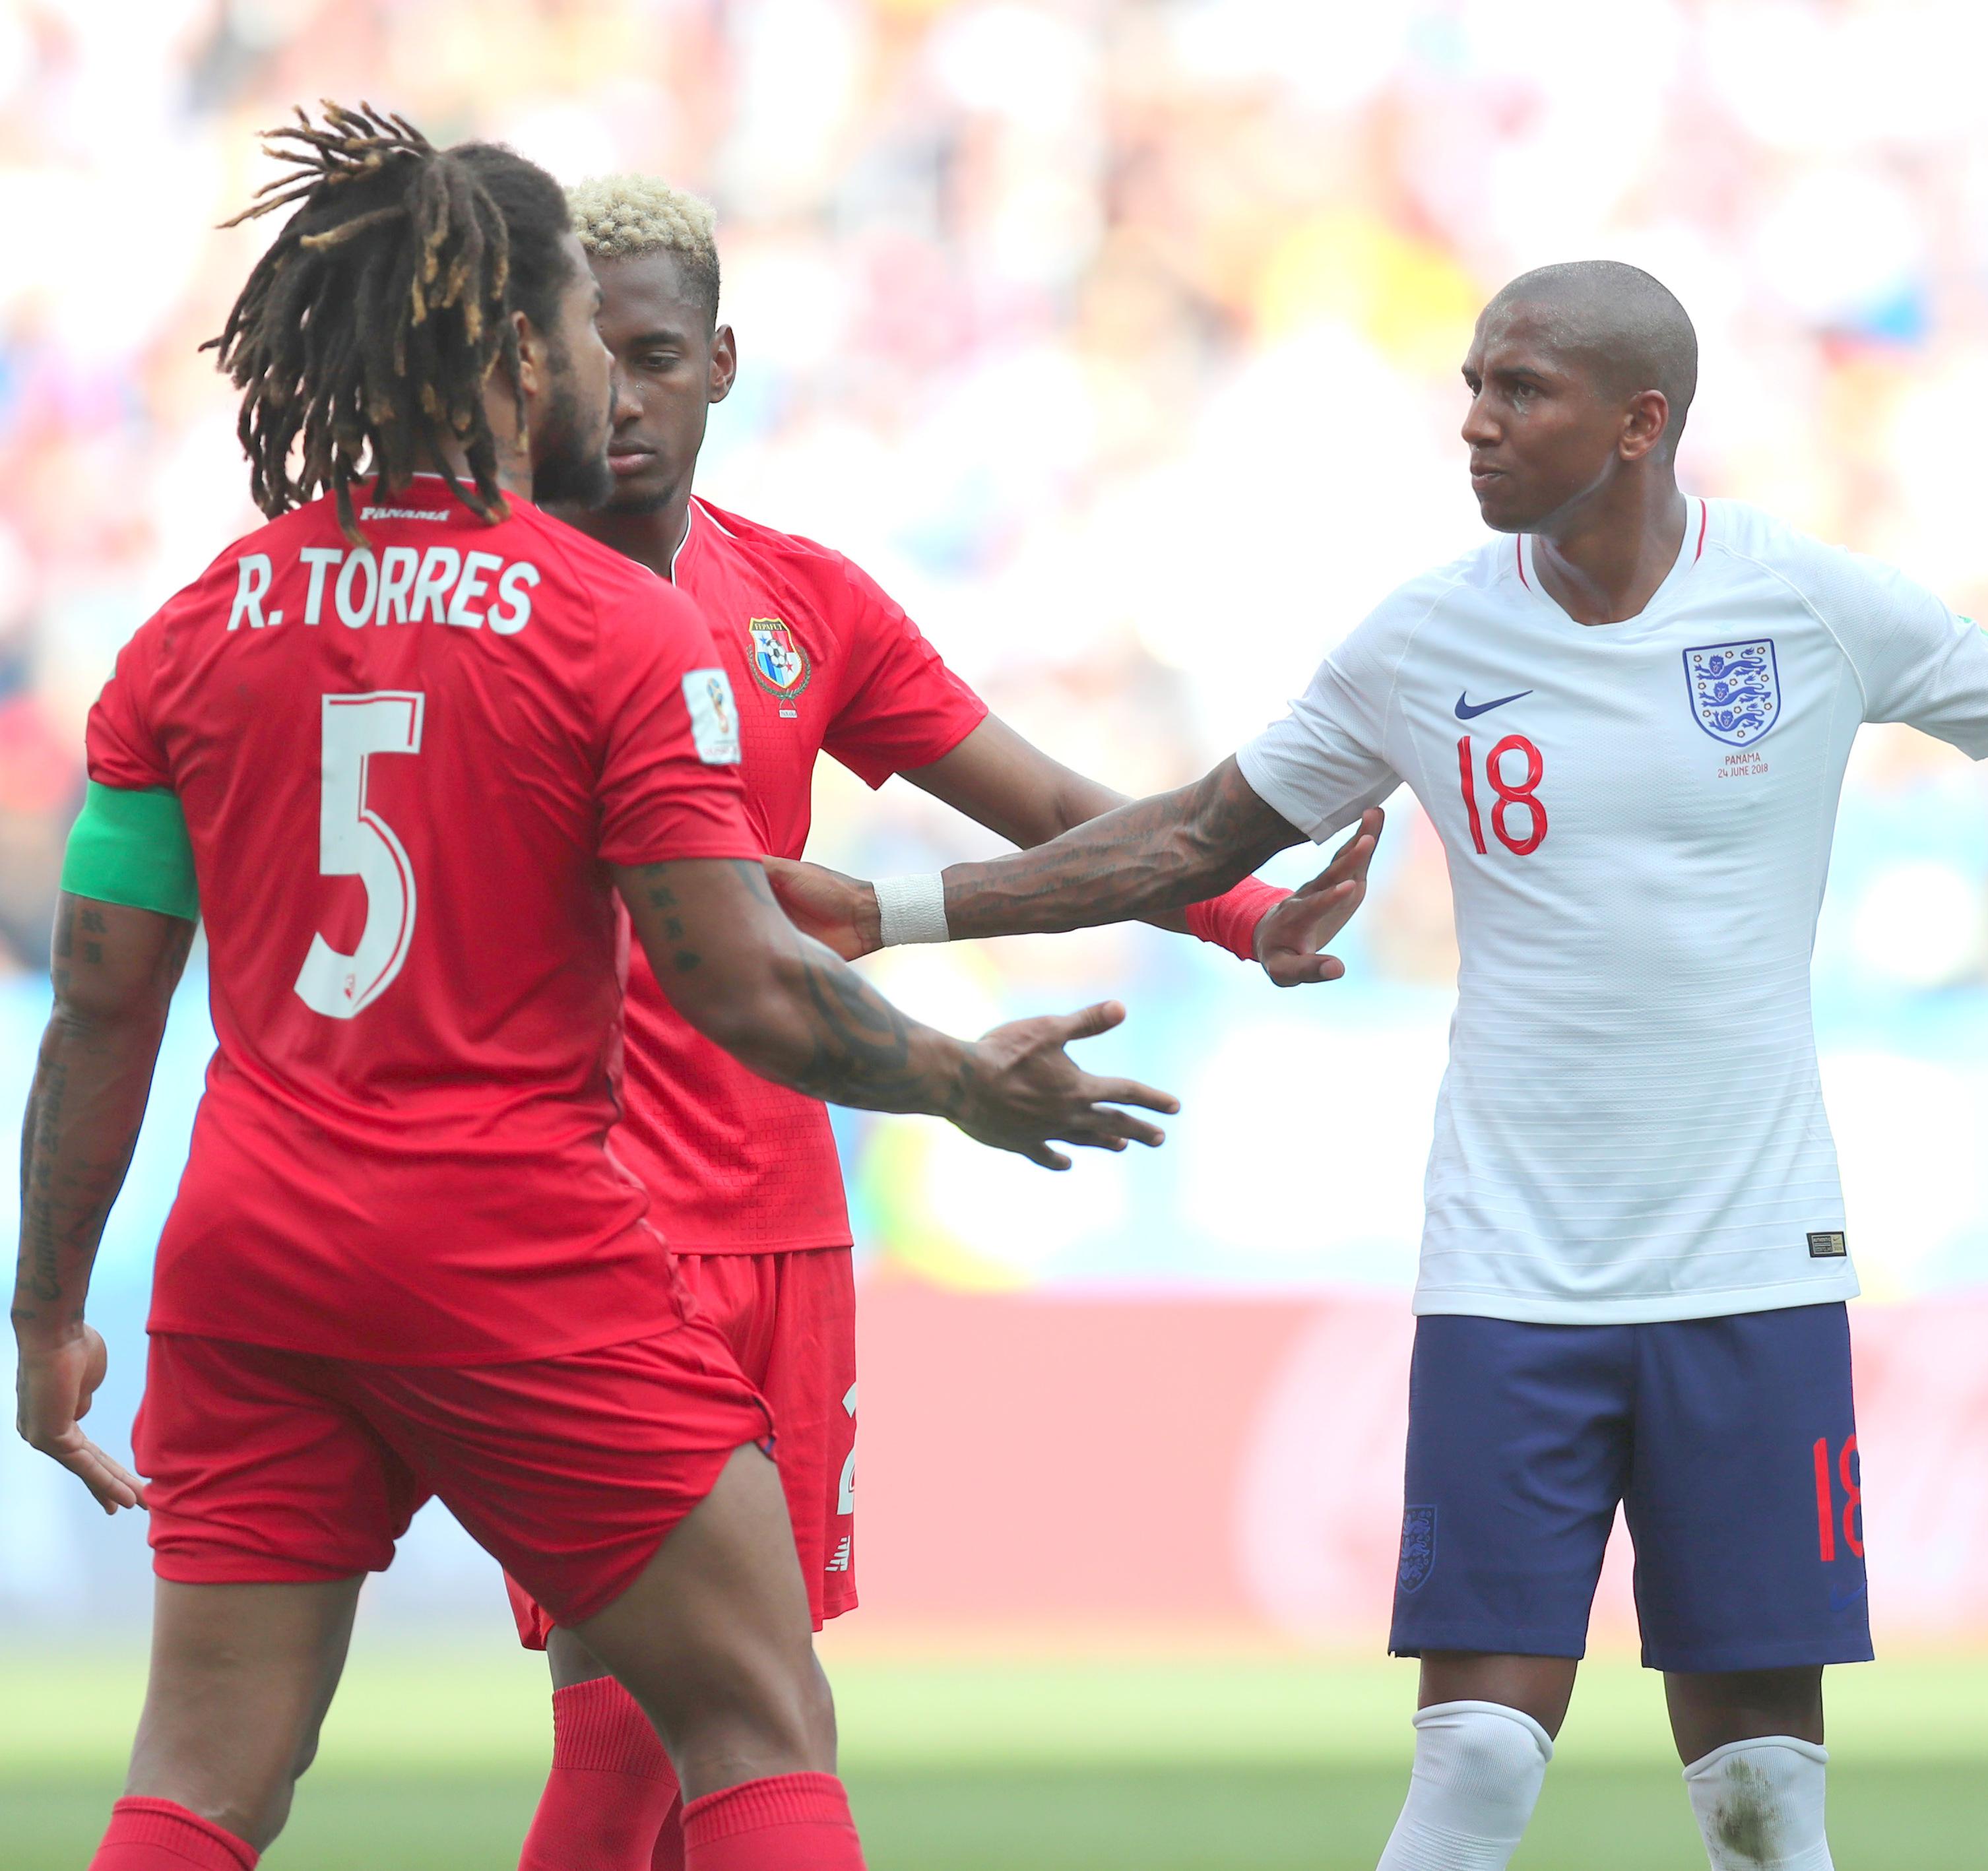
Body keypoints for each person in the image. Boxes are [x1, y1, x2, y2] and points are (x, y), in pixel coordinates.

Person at [763, 259, 1988, 1871]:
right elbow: (1177, 836)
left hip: (1751, 1265)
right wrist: (894, 901)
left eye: (1517, 389)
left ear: (1638, 424)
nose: (1473, 419)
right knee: (1469, 1764)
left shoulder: (1805, 604)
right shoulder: (1419, 639)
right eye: (1467, 383)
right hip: (1509, 1269)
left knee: (1762, 1796)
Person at [11, 106, 1172, 1871]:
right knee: (753, 1718)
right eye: (568, 321)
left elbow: (104, 1008)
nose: (593, 367)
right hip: (508, 1242)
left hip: (249, 1256)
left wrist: (48, 1312)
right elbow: (747, 989)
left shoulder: (191, 631)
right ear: (505, 347)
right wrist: (957, 1079)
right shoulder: (609, 625)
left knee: (197, 1776)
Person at [500, 172, 1367, 1871]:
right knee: (644, 1702)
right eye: (587, 355)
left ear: (724, 361)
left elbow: (1037, 795)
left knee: (745, 1707)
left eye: (658, 353)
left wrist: (1247, 911)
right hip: (587, 1220)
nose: (621, 395)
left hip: (784, 1224)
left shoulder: (801, 603)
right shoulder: (500, 602)